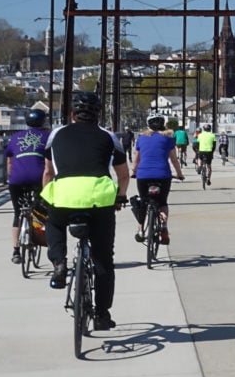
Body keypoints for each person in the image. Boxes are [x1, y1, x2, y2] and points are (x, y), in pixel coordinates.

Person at [40, 91, 129, 331]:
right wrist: (120, 197)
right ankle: (101, 314)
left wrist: (48, 198)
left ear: (72, 114)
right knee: (103, 259)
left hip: (65, 195)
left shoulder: (56, 134)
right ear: (98, 115)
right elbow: (123, 175)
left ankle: (59, 263)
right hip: (99, 200)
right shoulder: (110, 137)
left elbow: (48, 172)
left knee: (55, 222)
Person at [6, 109, 50, 263]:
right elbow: (49, 164)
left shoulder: (15, 137)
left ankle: (16, 250)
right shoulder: (47, 137)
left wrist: (10, 179)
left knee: (18, 213)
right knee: (42, 210)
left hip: (16, 179)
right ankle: (42, 239)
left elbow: (10, 162)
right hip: (38, 178)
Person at [131, 114, 183, 243]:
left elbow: (136, 160)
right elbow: (174, 160)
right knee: (162, 202)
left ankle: (140, 230)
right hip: (163, 175)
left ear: (148, 125)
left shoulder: (141, 138)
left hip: (143, 175)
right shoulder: (169, 139)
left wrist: (134, 172)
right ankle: (164, 227)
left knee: (143, 201)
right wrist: (179, 174)